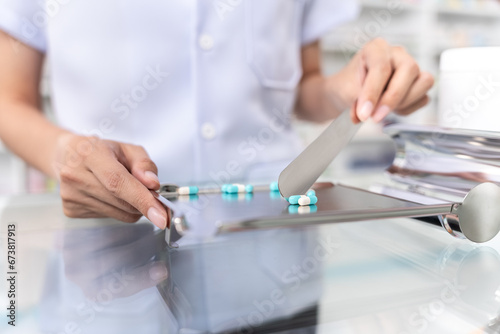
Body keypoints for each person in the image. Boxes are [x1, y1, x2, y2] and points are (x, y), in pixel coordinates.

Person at [0, 1, 434, 230]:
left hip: (274, 266)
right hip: (115, 268)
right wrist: (66, 154)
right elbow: (9, 99)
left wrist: (346, 92)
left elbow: (304, 87)